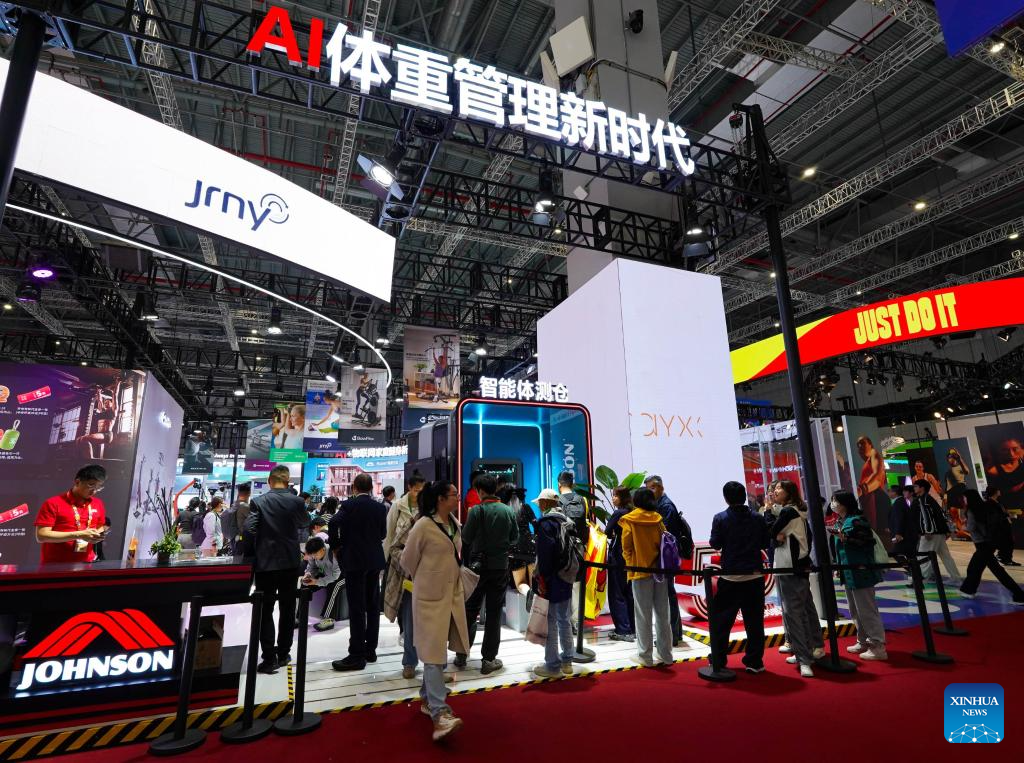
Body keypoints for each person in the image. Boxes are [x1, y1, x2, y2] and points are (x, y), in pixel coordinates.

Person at [400, 481, 469, 742]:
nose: (457, 498)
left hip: (451, 595)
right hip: (429, 598)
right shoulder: (423, 526)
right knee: (433, 654)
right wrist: (428, 577)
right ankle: (440, 714)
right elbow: (407, 560)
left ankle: (427, 699)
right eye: (453, 495)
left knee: (437, 650)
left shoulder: (454, 523)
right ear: (440, 498)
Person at [243, 465, 310, 673]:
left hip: (266, 564)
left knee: (265, 610)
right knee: (288, 609)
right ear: (288, 482)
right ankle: (283, 654)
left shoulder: (259, 501)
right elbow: (305, 522)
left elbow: (249, 529)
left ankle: (269, 658)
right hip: (290, 562)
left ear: (269, 481)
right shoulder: (297, 501)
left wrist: (253, 550)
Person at [455, 473, 517, 673]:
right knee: (494, 613)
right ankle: (488, 659)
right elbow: (515, 538)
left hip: (477, 568)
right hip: (500, 567)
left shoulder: (476, 511)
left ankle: (461, 654)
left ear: (480, 491)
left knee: (470, 611)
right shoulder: (508, 511)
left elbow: (466, 537)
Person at [708, 481, 770, 675]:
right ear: (744, 496)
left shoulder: (720, 518)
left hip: (731, 577)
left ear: (726, 498)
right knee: (755, 622)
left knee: (721, 622)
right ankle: (754, 661)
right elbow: (765, 542)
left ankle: (718, 659)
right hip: (754, 576)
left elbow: (715, 543)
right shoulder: (757, 517)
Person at [329, 472, 387, 671]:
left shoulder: (348, 505)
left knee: (357, 607)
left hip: (354, 561)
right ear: (371, 488)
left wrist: (336, 546)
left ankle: (356, 654)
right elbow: (383, 533)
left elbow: (333, 523)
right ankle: (370, 650)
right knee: (373, 606)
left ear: (354, 487)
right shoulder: (379, 508)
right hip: (374, 560)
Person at [770, 480, 824, 677]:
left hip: (789, 567)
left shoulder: (788, 512)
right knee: (806, 609)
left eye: (778, 488)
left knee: (793, 614)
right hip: (799, 565)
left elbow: (770, 531)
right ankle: (813, 647)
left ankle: (804, 658)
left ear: (789, 492)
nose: (775, 491)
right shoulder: (798, 511)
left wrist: (770, 519)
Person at [829, 491, 887, 660]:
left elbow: (866, 542)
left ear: (844, 503)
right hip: (848, 572)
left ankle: (877, 646)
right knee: (855, 609)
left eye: (835, 500)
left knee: (867, 610)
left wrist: (845, 538)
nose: (833, 504)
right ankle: (862, 641)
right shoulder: (840, 521)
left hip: (861, 571)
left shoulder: (857, 520)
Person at [619, 487, 672, 667]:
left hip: (639, 571)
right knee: (663, 614)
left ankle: (645, 656)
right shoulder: (658, 519)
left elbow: (626, 548)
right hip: (660, 572)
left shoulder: (629, 520)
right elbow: (665, 543)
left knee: (643, 615)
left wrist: (631, 563)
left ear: (636, 501)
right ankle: (666, 655)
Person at [384, 475, 427, 679]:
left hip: (428, 572)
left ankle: (435, 664)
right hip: (404, 569)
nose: (419, 493)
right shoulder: (398, 507)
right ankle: (409, 661)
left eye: (422, 490)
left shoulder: (429, 509)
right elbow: (390, 537)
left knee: (430, 621)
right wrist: (392, 561)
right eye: (417, 489)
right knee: (408, 617)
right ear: (409, 487)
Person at [531, 489, 576, 679]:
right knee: (565, 619)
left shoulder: (546, 524)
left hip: (552, 578)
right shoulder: (566, 520)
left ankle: (552, 665)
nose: (539, 505)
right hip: (567, 574)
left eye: (540, 502)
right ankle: (567, 661)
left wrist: (542, 579)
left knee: (550, 621)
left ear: (545, 503)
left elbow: (545, 555)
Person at [959, 489, 1024, 604]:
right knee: (976, 568)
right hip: (989, 543)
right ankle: (968, 590)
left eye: (965, 497)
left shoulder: (971, 510)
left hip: (982, 545)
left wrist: (963, 526)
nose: (964, 500)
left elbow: (971, 528)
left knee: (993, 570)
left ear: (969, 498)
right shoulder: (984, 507)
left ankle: (1019, 595)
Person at [34, 465, 108, 564]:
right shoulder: (53, 503)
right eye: (91, 485)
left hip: (87, 563)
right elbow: (41, 536)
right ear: (77, 482)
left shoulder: (98, 503)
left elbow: (100, 527)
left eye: (99, 487)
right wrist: (79, 535)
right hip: (56, 565)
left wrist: (97, 535)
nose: (94, 491)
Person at [643, 475, 684, 646]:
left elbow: (665, 534)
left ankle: (672, 635)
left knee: (667, 596)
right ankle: (675, 633)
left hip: (666, 558)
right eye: (648, 489)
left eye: (652, 488)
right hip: (663, 557)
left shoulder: (666, 506)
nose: (650, 492)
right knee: (668, 595)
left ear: (661, 487)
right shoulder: (659, 505)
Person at [914, 479, 962, 585]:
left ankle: (921, 580)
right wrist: (945, 530)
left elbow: (927, 516)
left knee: (924, 555)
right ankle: (956, 578)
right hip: (938, 532)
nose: (914, 488)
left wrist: (928, 530)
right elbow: (940, 514)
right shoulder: (929, 499)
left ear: (922, 488)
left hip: (931, 533)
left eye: (916, 486)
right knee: (945, 556)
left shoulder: (923, 499)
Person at [605, 486, 636, 642]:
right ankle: (632, 628)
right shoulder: (633, 512)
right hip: (631, 557)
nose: (613, 498)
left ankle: (623, 630)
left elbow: (607, 532)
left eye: (615, 495)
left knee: (617, 593)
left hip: (618, 555)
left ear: (622, 497)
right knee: (629, 593)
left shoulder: (618, 513)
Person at [301, 535, 344, 630]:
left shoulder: (333, 553)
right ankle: (300, 616)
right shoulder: (313, 554)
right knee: (304, 584)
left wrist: (317, 581)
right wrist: (308, 574)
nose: (313, 557)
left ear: (323, 549)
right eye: (312, 555)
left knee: (334, 586)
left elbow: (335, 576)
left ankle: (328, 619)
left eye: (315, 554)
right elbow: (311, 567)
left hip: (342, 576)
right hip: (326, 574)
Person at [505, 484, 536, 597]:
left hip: (514, 550)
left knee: (520, 583)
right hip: (530, 547)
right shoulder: (526, 507)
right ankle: (535, 597)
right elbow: (536, 524)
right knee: (534, 581)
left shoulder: (506, 510)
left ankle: (529, 594)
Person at [856, 435, 889, 534]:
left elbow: (876, 476)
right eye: (858, 445)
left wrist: (863, 488)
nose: (860, 446)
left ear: (870, 444)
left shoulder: (874, 453)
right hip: (870, 496)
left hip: (873, 496)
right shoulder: (869, 460)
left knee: (876, 530)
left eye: (863, 443)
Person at [985, 433, 1024, 509]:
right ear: (999, 451)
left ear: (1021, 448)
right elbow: (1004, 492)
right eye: (1005, 450)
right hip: (1010, 506)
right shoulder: (994, 469)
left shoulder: (1021, 457)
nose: (1011, 454)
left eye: (1015, 449)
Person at [987, 488, 1020, 566]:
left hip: (1005, 525)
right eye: (998, 490)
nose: (999, 491)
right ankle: (1004, 558)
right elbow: (995, 515)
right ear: (995, 492)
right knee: (1007, 542)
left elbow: (1003, 512)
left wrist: (1008, 514)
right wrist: (1007, 515)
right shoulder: (990, 503)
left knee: (1009, 542)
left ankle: (1005, 558)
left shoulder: (998, 502)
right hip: (999, 527)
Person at [888, 484, 920, 564]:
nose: (888, 493)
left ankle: (912, 569)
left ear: (895, 492)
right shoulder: (900, 502)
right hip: (906, 535)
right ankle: (914, 569)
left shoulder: (899, 502)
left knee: (896, 553)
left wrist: (898, 533)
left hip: (904, 535)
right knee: (910, 555)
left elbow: (899, 518)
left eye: (889, 491)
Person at [230, 483, 251, 555]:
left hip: (235, 537)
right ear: (249, 493)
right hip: (242, 538)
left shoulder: (234, 505)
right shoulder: (245, 507)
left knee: (237, 558)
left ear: (238, 492)